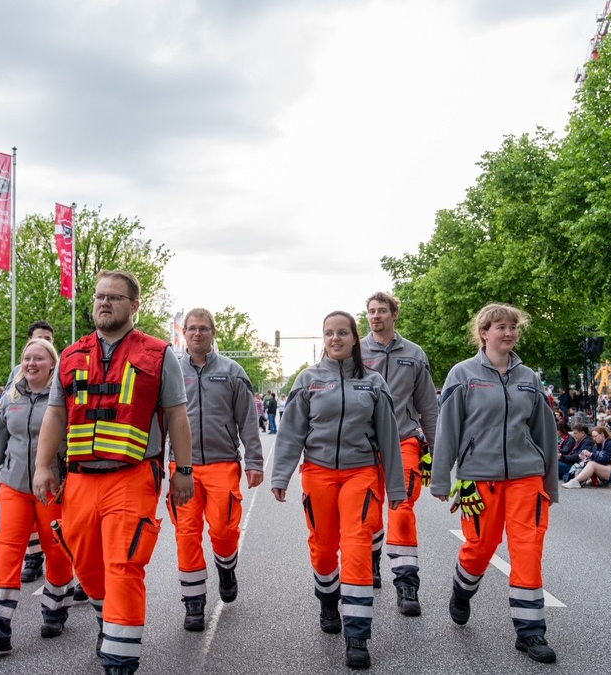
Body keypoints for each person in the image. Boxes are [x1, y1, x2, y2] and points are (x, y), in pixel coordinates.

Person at [30, 270, 194, 675]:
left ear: (135, 306)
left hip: (133, 475)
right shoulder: (70, 355)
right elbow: (55, 415)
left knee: (124, 564)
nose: (104, 303)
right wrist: (41, 466)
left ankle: (121, 658)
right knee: (86, 566)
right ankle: (110, 620)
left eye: (114, 298)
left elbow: (176, 414)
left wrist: (183, 471)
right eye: (100, 297)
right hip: (81, 478)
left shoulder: (158, 354)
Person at [270, 311, 405, 670]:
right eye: (329, 333)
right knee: (324, 548)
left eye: (342, 333)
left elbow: (389, 438)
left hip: (361, 474)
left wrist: (395, 486)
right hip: (318, 474)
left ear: (354, 338)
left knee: (357, 547)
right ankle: (328, 600)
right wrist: (280, 476)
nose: (335, 339)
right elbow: (291, 433)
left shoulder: (374, 382)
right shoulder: (308, 379)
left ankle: (357, 635)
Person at [431, 303, 559, 664]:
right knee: (480, 547)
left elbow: (544, 432)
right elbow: (449, 429)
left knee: (528, 549)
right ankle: (462, 589)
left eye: (513, 327)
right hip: (479, 478)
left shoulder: (529, 378)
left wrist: (550, 483)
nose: (508, 333)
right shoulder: (463, 374)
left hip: (526, 476)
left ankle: (530, 632)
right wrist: (442, 478)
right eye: (499, 327)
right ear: (483, 333)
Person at [0, 339, 75, 653]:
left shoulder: (63, 399)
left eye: (38, 358)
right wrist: (2, 472)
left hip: (51, 490)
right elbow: (0, 435)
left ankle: (55, 609)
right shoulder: (11, 397)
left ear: (52, 364)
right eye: (27, 358)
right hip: (13, 487)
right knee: (6, 551)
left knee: (57, 552)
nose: (30, 364)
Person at [169, 308, 264, 632]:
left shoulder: (233, 372)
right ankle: (194, 603)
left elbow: (248, 421)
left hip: (223, 463)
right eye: (191, 329)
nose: (197, 334)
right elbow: (157, 420)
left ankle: (226, 566)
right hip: (182, 467)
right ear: (184, 333)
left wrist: (254, 461)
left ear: (213, 332)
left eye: (203, 329)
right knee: (187, 534)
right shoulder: (169, 370)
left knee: (224, 530)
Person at [359, 291, 438, 614]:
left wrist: (438, 449)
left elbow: (427, 407)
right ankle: (372, 559)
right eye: (371, 312)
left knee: (402, 507)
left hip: (404, 440)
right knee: (369, 512)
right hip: (363, 444)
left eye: (382, 311)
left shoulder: (414, 354)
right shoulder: (355, 351)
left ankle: (406, 583)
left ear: (394, 315)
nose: (375, 316)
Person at [1, 321, 56, 587]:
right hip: (16, 476)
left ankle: (59, 600)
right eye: (27, 357)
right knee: (7, 542)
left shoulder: (61, 386)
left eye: (47, 340)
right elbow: (3, 427)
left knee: (58, 541)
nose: (32, 363)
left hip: (52, 481)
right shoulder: (16, 382)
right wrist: (2, 464)